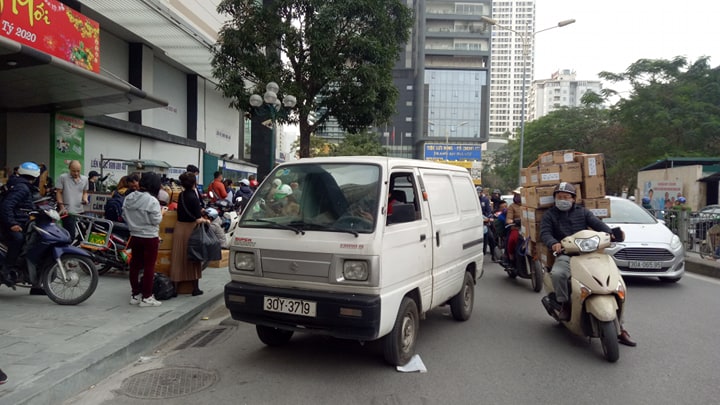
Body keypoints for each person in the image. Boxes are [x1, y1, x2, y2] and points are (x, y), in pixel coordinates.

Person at [540, 182, 636, 346]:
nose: (563, 200)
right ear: (555, 199)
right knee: (558, 274)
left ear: (573, 199)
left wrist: (611, 233)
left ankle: (620, 327)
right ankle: (564, 304)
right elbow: (545, 233)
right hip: (566, 254)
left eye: (566, 197)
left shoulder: (583, 212)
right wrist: (553, 243)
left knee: (613, 281)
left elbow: (598, 225)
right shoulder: (550, 215)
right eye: (559, 197)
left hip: (590, 253)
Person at [122, 171, 163, 307]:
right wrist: (162, 213)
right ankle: (147, 297)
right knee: (149, 266)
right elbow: (156, 220)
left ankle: (135, 295)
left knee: (134, 265)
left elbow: (124, 215)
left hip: (134, 235)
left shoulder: (129, 197)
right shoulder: (152, 201)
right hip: (150, 237)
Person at [170, 171, 210, 296]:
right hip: (191, 229)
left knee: (178, 258)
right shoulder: (194, 197)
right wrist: (206, 221)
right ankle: (195, 289)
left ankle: (175, 289)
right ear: (194, 183)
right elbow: (198, 218)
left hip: (179, 228)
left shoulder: (181, 195)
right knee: (193, 258)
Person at [0, 162, 40, 285]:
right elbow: (6, 206)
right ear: (35, 176)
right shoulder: (22, 188)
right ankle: (7, 269)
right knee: (19, 239)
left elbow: (25, 205)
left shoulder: (23, 186)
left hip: (20, 220)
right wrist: (12, 224)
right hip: (11, 222)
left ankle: (36, 283)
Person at [55, 160, 89, 239]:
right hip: (67, 211)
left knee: (83, 233)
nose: (76, 173)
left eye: (78, 171)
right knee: (70, 234)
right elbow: (59, 193)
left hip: (80, 211)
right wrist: (62, 207)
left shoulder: (85, 179)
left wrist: (85, 199)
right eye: (73, 171)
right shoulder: (63, 178)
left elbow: (85, 192)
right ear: (69, 169)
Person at [502, 187, 523, 267]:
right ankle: (511, 256)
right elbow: (508, 219)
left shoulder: (528, 205)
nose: (517, 197)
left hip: (528, 229)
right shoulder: (512, 206)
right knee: (512, 239)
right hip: (516, 228)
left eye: (519, 195)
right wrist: (513, 221)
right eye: (516, 195)